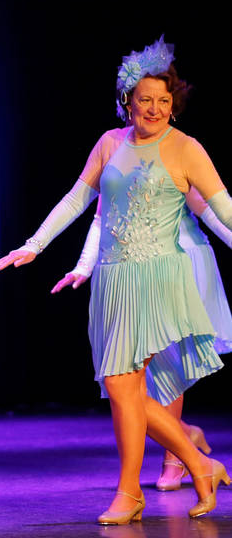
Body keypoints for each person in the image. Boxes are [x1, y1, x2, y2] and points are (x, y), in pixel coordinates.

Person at [0, 38, 232, 523]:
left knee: (129, 385)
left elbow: (224, 209)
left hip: (161, 275)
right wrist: (34, 244)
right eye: (145, 99)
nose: (155, 108)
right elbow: (77, 201)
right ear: (127, 101)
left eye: (164, 100)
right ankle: (198, 464)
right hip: (113, 279)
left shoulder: (187, 148)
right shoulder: (109, 143)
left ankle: (132, 491)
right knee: (124, 387)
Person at [55, 186, 232, 490]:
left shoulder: (175, 151)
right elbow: (101, 218)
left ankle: (175, 459)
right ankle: (182, 434)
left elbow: (212, 212)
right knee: (125, 377)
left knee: (167, 362)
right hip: (128, 267)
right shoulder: (118, 150)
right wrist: (83, 266)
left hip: (180, 262)